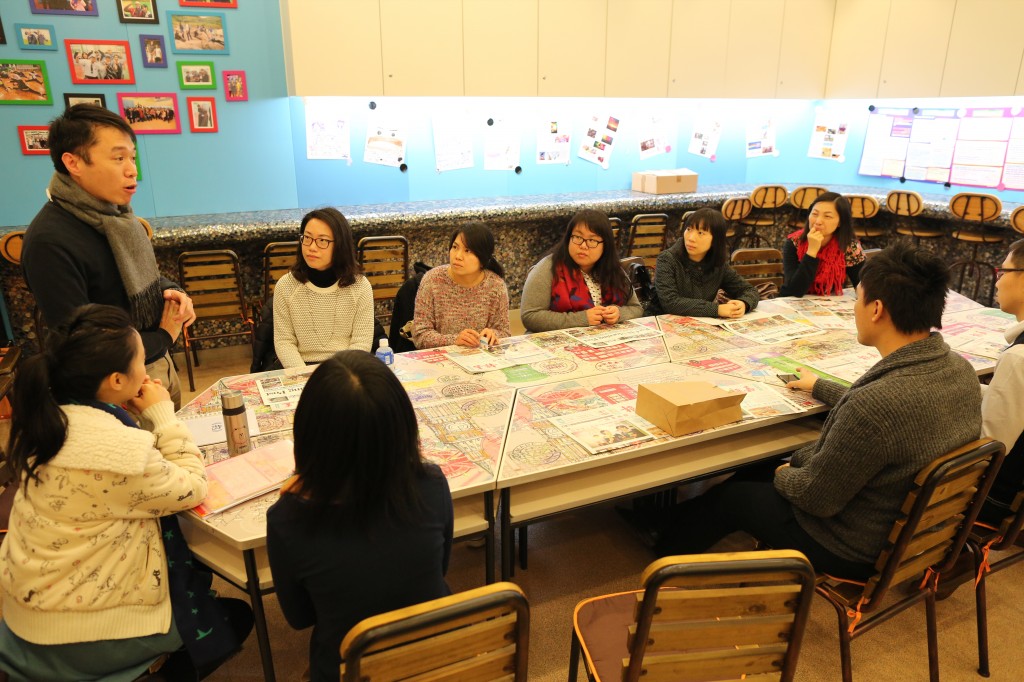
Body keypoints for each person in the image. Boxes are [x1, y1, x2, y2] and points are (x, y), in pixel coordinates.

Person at [648, 243, 981, 579]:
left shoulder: (875, 406)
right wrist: (819, 386)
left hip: (849, 543)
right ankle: (671, 523)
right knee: (760, 469)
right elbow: (884, 410)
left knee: (732, 495)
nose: (855, 308)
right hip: (911, 533)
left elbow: (815, 498)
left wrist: (785, 470)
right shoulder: (958, 370)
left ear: (877, 309)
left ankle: (660, 556)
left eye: (857, 299)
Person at [0, 304, 252, 681]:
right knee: (235, 619)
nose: (146, 370)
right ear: (117, 380)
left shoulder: (49, 418)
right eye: (140, 359)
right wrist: (162, 415)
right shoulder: (117, 449)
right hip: (79, 637)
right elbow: (191, 486)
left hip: (25, 615)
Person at [267, 351, 453, 682]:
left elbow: (300, 617)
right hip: (437, 663)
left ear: (308, 434)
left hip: (349, 670)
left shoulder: (287, 519)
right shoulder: (432, 483)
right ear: (402, 426)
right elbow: (439, 570)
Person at [21, 104, 194, 408]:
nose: (132, 170)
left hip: (156, 368)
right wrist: (164, 336)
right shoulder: (50, 241)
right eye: (118, 158)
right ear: (73, 162)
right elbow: (83, 346)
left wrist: (172, 291)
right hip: (114, 391)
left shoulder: (118, 219)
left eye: (132, 157)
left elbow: (138, 276)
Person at [273, 208, 374, 368]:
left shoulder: (360, 286)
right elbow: (284, 342)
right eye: (307, 238)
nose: (312, 247)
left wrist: (339, 376)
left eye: (322, 240)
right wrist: (304, 376)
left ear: (340, 245)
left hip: (346, 369)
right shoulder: (286, 285)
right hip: (300, 369)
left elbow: (361, 343)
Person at [519, 209, 642, 332]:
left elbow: (636, 308)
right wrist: (581, 319)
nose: (583, 246)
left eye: (592, 240)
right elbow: (530, 316)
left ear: (605, 245)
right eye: (578, 237)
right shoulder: (548, 268)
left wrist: (619, 313)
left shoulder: (612, 269)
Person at [977, 239, 1024, 525]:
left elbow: (988, 448)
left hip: (991, 499)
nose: (997, 282)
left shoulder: (1018, 358)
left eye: (1003, 272)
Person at [644, 207, 759, 318]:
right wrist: (717, 309)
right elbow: (671, 303)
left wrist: (744, 304)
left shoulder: (718, 265)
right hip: (658, 322)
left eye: (700, 233)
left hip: (696, 324)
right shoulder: (667, 259)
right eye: (689, 229)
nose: (691, 238)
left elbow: (749, 290)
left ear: (715, 240)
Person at [412, 221, 510, 348]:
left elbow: (504, 332)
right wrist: (454, 340)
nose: (458, 256)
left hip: (480, 356)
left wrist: (493, 335)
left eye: (467, 250)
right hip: (443, 356)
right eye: (455, 247)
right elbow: (420, 335)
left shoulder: (496, 286)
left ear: (483, 259)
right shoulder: (432, 280)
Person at [780, 191, 865, 297]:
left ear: (840, 222)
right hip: (794, 301)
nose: (818, 221)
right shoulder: (794, 242)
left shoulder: (849, 247)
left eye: (827, 216)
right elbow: (794, 291)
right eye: (815, 214)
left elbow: (862, 286)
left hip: (830, 302)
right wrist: (811, 252)